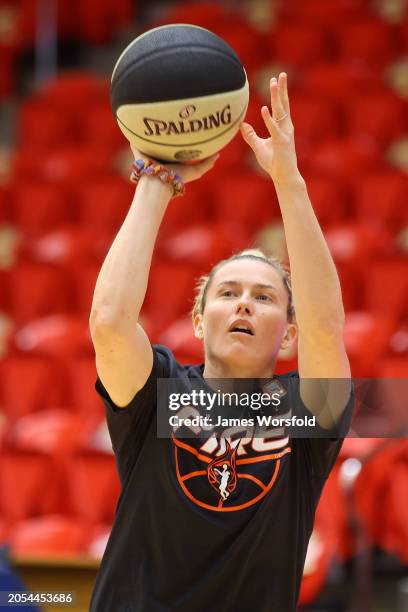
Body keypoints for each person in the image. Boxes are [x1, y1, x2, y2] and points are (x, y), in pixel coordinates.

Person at [89, 73, 352, 612]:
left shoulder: (302, 415)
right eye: (227, 292)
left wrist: (289, 182)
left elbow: (327, 325)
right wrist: (156, 178)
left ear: (289, 335)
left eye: (265, 297)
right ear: (198, 320)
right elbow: (110, 323)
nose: (244, 304)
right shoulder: (158, 394)